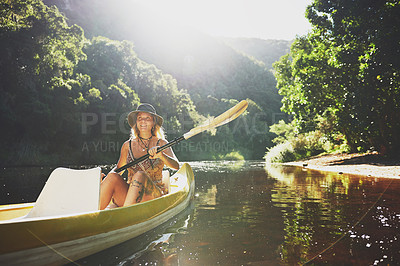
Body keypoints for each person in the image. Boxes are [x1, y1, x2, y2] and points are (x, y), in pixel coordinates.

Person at [99, 103, 179, 210]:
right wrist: (105, 180)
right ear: (136, 122)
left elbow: (176, 165)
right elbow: (119, 169)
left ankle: (125, 215)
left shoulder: (161, 143)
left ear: (153, 122)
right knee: (113, 176)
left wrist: (162, 156)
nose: (143, 121)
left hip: (153, 196)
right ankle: (90, 216)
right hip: (130, 197)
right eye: (140, 118)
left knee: (139, 175)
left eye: (147, 118)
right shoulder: (128, 145)